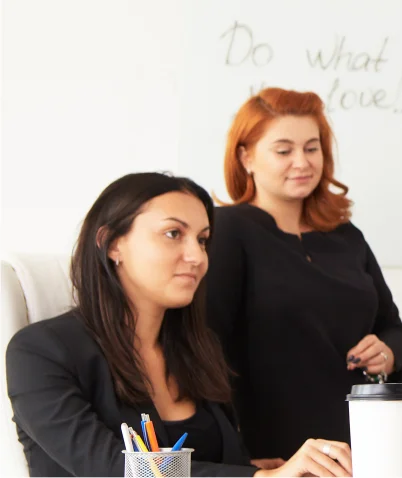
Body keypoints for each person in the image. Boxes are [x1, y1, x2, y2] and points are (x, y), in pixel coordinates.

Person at [7, 172, 353, 477]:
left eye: (202, 240)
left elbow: (210, 463)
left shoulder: (197, 350)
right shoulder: (40, 352)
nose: (197, 257)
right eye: (174, 233)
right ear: (111, 243)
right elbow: (114, 471)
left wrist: (261, 470)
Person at [203, 88, 402, 466]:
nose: (302, 162)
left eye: (312, 148)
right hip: (275, 451)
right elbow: (207, 346)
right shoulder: (228, 230)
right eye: (284, 151)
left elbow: (393, 327)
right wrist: (237, 456)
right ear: (245, 157)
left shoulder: (346, 235)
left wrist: (388, 351)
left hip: (362, 444)